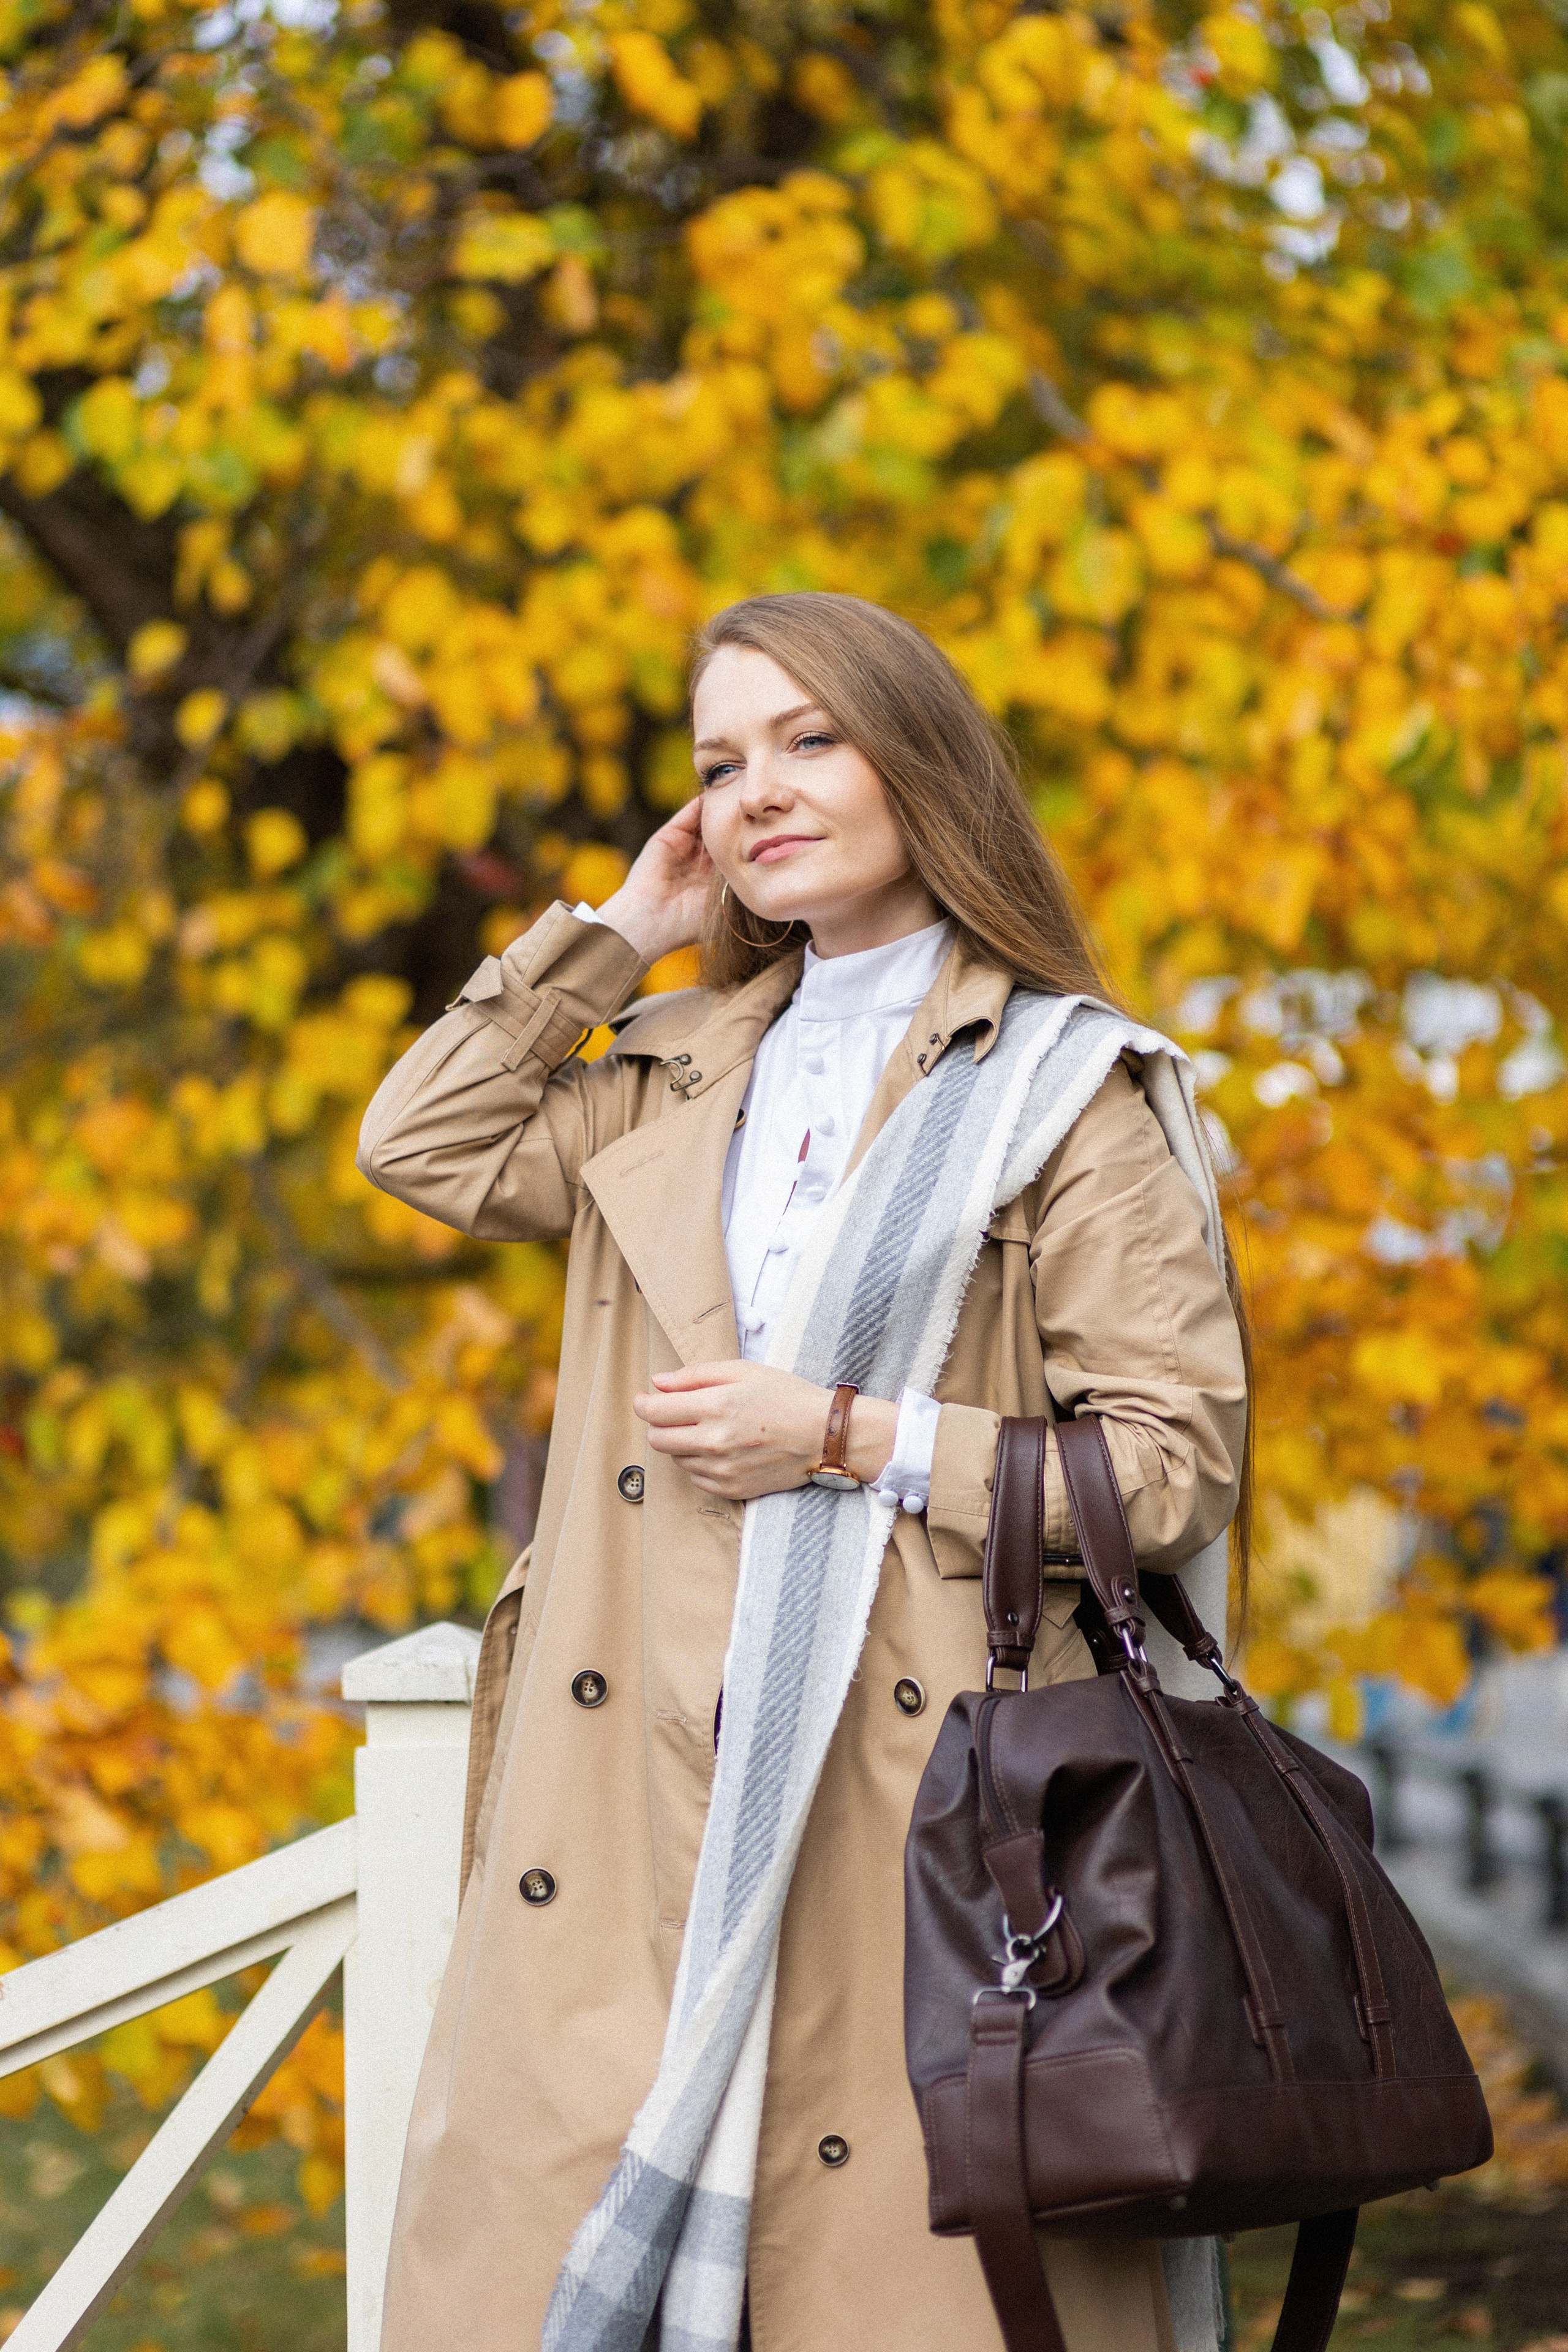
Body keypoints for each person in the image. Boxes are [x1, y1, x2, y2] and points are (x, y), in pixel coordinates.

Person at [358, 592, 1248, 2352]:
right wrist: (619, 932)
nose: (756, 789)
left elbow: (1164, 1474)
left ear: (919, 759)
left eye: (808, 738)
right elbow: (421, 1139)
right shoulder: (672, 1072)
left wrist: (844, 1439)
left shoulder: (1069, 1089)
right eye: (719, 760)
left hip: (923, 1825)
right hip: (624, 1827)